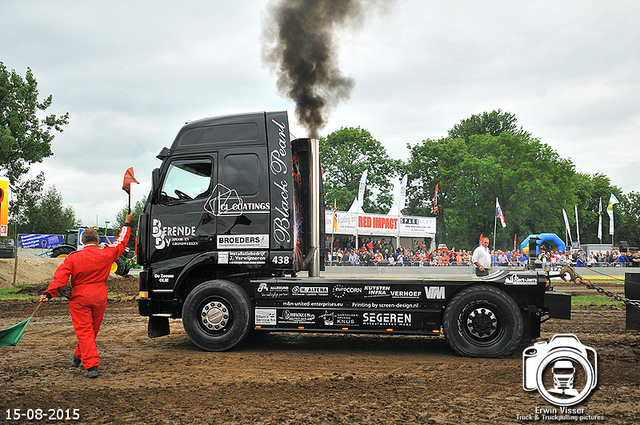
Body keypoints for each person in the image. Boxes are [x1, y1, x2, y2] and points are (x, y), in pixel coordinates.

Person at [39, 213, 133, 378]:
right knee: (92, 331)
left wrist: (49, 293)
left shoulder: (73, 258)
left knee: (84, 332)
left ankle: (92, 365)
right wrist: (126, 224)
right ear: (97, 241)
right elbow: (121, 242)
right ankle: (77, 356)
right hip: (100, 296)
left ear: (82, 241)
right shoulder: (106, 253)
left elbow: (60, 277)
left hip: (80, 297)